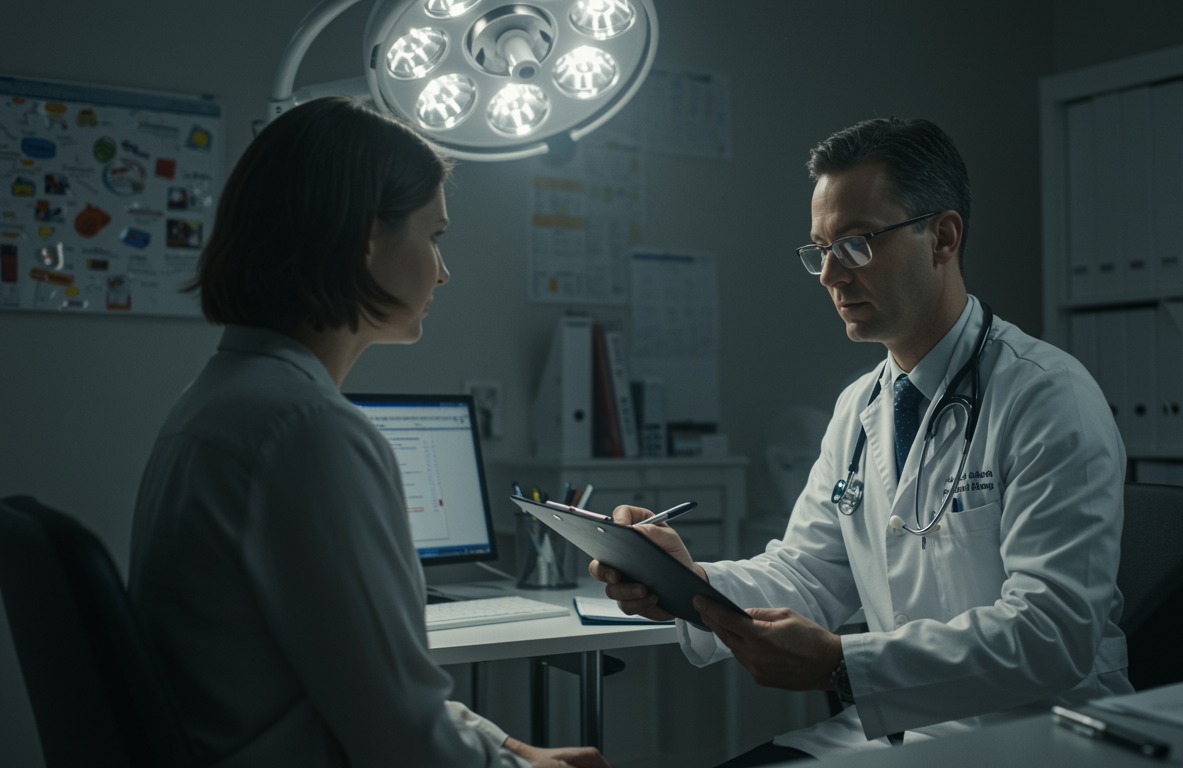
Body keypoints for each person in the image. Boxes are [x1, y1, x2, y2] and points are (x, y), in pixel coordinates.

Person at [591, 117, 1132, 765]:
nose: (828, 274)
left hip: (1041, 736)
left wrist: (844, 665)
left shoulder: (1047, 397)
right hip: (905, 732)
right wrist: (687, 581)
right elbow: (808, 573)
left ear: (943, 237)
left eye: (855, 243)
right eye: (818, 250)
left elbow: (1052, 637)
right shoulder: (860, 407)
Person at [128, 97, 608, 768]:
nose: (444, 270)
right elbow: (401, 739)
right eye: (434, 235)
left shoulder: (215, 403)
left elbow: (373, 688)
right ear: (363, 238)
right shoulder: (307, 432)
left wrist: (507, 748)